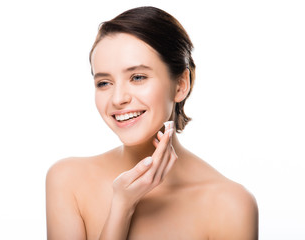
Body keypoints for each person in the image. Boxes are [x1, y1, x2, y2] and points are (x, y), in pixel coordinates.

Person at [46, 6, 258, 240]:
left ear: (181, 85)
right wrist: (121, 207)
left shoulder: (231, 205)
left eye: (138, 77)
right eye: (104, 83)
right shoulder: (68, 180)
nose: (118, 99)